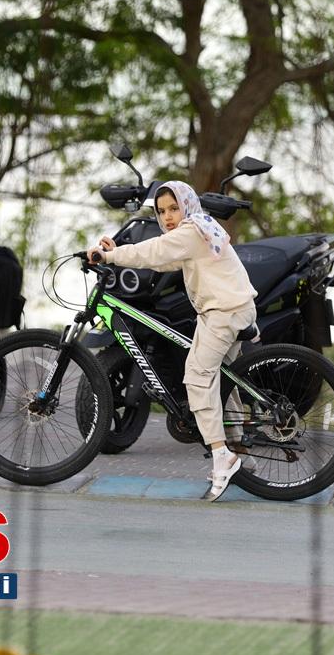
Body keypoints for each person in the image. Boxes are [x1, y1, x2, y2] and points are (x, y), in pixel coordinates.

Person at [88, 180, 258, 501]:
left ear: (187, 206)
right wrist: (115, 252)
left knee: (197, 377)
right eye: (161, 210)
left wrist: (108, 257)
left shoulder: (192, 231)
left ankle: (222, 456)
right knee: (224, 382)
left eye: (174, 208)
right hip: (233, 308)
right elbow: (161, 259)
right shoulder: (200, 228)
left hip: (223, 312)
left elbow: (152, 251)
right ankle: (239, 451)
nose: (167, 217)